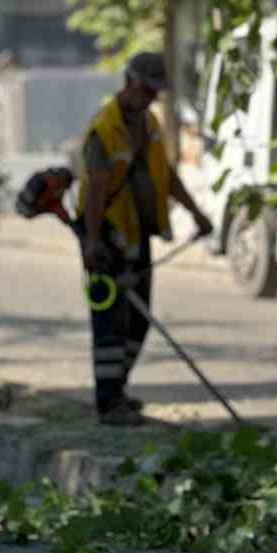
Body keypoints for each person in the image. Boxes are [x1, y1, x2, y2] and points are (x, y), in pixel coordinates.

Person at [77, 51, 213, 426]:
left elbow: (165, 175)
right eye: (147, 89)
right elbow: (94, 192)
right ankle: (108, 405)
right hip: (104, 235)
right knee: (109, 321)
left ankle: (117, 391)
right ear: (131, 83)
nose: (152, 97)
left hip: (137, 233)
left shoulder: (149, 124)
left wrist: (197, 213)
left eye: (156, 91)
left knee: (137, 320)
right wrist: (90, 242)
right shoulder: (105, 129)